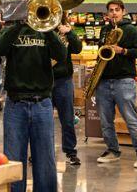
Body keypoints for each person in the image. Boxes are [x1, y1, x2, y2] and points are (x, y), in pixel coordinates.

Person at [0, 2, 66, 192]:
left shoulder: (47, 31)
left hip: (42, 103)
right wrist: (17, 23)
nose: (32, 8)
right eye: (26, 4)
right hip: (15, 103)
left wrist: (48, 28)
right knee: (14, 159)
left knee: (45, 160)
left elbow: (62, 54)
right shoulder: (11, 30)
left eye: (36, 4)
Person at [96, 0, 137, 167]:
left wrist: (123, 50)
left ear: (123, 11)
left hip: (124, 80)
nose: (114, 13)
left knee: (130, 118)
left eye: (117, 10)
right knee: (105, 120)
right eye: (111, 10)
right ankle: (112, 150)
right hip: (104, 80)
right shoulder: (104, 30)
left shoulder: (131, 30)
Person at [51, 14, 83, 166]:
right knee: (42, 120)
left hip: (63, 80)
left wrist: (69, 33)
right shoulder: (39, 29)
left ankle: (71, 152)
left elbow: (77, 49)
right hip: (43, 80)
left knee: (67, 119)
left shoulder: (65, 30)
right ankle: (43, 151)